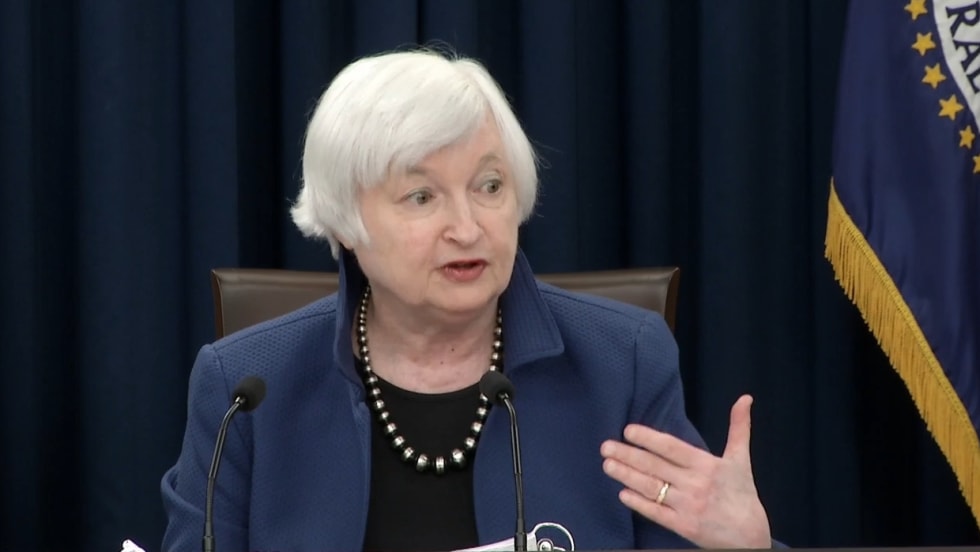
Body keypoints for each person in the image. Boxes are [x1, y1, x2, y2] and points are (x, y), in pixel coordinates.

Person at [161, 48, 773, 551]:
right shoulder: (243, 388)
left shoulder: (622, 363)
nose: (467, 227)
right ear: (346, 222)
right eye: (422, 197)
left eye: (489, 186)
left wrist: (745, 549)